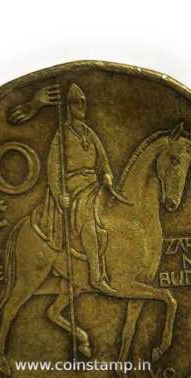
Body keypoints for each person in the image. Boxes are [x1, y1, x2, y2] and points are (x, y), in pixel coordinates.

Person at [31, 83, 117, 295]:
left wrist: (107, 174)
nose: (81, 107)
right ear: (69, 107)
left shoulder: (90, 133)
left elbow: (103, 161)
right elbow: (53, 169)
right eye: (77, 103)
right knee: (88, 219)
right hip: (74, 186)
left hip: (94, 184)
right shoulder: (62, 135)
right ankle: (96, 277)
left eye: (83, 103)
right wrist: (60, 195)